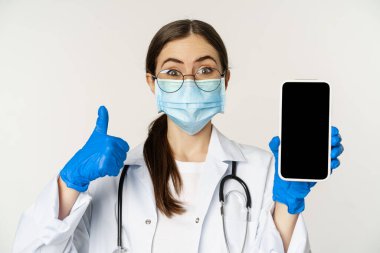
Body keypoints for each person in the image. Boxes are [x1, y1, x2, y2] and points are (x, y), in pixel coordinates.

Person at [12, 19, 344, 253]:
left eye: (205, 69)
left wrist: (287, 205)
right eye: (172, 72)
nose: (190, 81)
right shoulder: (110, 174)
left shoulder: (263, 171)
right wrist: (69, 182)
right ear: (152, 82)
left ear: (224, 80)